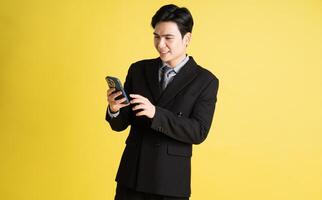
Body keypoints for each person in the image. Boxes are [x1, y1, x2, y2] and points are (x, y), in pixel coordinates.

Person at [106, 4, 219, 200]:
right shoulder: (138, 69)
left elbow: (198, 131)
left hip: (169, 182)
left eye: (168, 38)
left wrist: (156, 114)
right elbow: (120, 124)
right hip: (132, 175)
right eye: (156, 37)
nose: (160, 44)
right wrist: (114, 109)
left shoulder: (205, 80)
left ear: (187, 39)